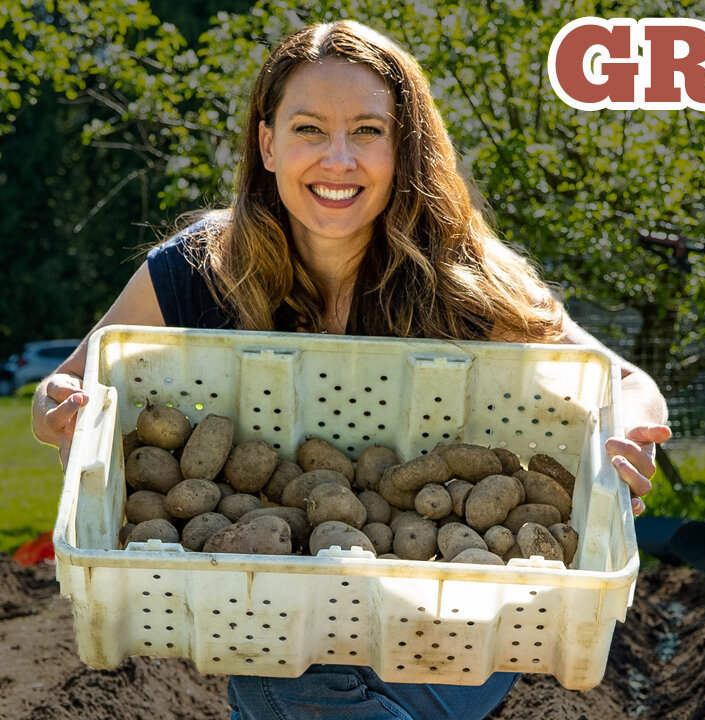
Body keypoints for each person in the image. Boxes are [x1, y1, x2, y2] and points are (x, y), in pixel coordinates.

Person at [30, 19, 670, 720]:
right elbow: (62, 388)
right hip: (272, 605)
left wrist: (632, 435)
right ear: (268, 143)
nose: (339, 159)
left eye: (368, 131)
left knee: (278, 685)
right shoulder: (198, 268)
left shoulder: (465, 279)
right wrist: (61, 405)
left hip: (451, 614)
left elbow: (626, 384)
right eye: (309, 129)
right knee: (286, 677)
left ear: (404, 149)